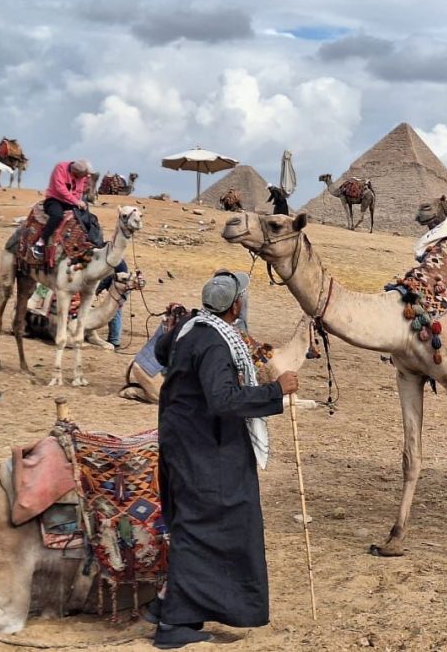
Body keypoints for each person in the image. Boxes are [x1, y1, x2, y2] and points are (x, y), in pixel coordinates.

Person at [150, 271, 298, 648]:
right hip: (204, 448)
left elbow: (160, 352)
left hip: (184, 438)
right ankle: (175, 623)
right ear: (236, 305)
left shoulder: (189, 327)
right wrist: (274, 391)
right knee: (207, 523)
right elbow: (223, 399)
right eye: (243, 300)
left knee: (198, 521)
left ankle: (173, 605)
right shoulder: (216, 343)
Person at [33, 159, 92, 259]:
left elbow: (79, 190)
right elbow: (61, 189)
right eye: (81, 176)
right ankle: (41, 242)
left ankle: (90, 240)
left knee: (87, 216)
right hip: (55, 199)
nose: (82, 179)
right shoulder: (60, 168)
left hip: (71, 201)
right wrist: (76, 202)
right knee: (57, 216)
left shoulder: (81, 176)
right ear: (75, 172)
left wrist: (79, 202)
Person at [95, 260, 130, 348]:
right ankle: (114, 338)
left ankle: (114, 340)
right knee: (115, 312)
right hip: (121, 286)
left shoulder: (112, 261)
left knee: (114, 313)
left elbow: (107, 279)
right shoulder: (116, 259)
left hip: (120, 288)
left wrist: (97, 290)